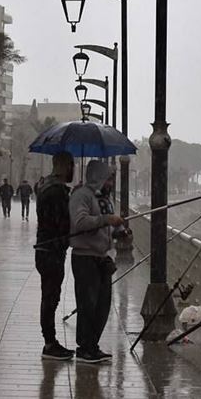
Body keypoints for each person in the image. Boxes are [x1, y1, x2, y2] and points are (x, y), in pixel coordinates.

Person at [69, 160, 125, 364]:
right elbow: (80, 222)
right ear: (98, 177)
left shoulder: (105, 199)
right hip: (85, 258)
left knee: (102, 305)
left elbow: (109, 227)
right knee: (88, 304)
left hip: (102, 257)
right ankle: (84, 348)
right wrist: (106, 220)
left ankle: (93, 345)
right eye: (108, 178)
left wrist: (119, 231)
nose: (110, 183)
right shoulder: (81, 196)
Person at [33, 152, 75, 360]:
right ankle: (50, 344)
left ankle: (50, 341)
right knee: (51, 297)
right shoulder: (57, 192)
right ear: (65, 166)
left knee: (48, 296)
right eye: (72, 165)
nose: (73, 170)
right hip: (52, 250)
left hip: (44, 249)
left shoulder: (45, 186)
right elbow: (63, 224)